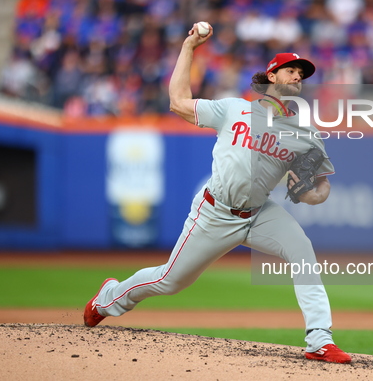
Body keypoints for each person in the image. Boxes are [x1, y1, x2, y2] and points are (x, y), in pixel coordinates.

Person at [83, 22, 352, 364]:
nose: (298, 76)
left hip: (259, 213)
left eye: (302, 73)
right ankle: (108, 298)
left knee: (303, 252)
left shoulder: (306, 133)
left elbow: (322, 186)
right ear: (271, 76)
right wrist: (189, 48)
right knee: (170, 280)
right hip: (215, 211)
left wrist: (309, 195)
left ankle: (319, 339)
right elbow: (178, 102)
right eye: (291, 70)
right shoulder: (234, 109)